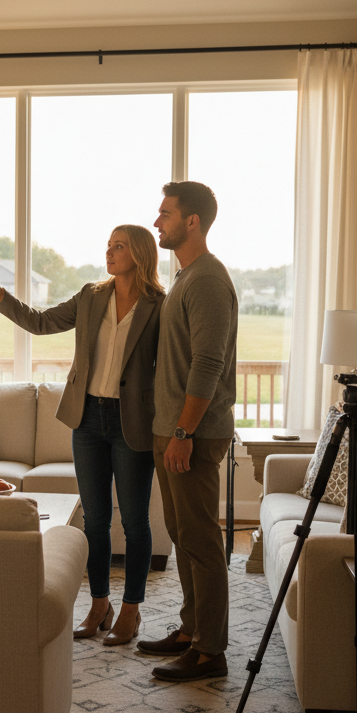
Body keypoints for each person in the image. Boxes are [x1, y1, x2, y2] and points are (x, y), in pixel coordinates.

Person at [0, 225, 164, 645]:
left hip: (133, 426)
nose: (109, 252)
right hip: (88, 419)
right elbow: (40, 322)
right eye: (108, 245)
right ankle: (99, 604)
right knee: (94, 520)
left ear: (140, 253)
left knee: (136, 521)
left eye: (118, 246)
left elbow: (170, 369)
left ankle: (131, 611)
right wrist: (1, 296)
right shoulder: (91, 296)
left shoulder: (160, 305)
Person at [138, 182, 238, 682]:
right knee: (182, 534)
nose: (157, 222)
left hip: (191, 433)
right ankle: (191, 630)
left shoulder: (206, 280)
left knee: (200, 539)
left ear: (191, 221)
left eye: (165, 214)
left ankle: (210, 652)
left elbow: (208, 363)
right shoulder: (184, 277)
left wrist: (183, 432)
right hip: (171, 430)